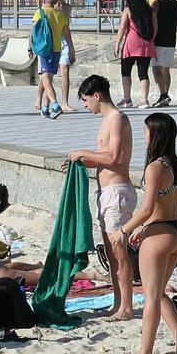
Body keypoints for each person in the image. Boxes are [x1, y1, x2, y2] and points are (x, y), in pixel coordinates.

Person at [116, 113, 177, 354]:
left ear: (156, 134)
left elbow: (148, 208)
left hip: (158, 235)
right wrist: (142, 227)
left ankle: (145, 350)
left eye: (145, 130)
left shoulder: (154, 167)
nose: (143, 134)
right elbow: (162, 204)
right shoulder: (176, 164)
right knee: (159, 293)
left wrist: (125, 230)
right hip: (176, 232)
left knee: (150, 296)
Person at [67, 75, 136, 321]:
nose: (86, 106)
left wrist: (84, 152)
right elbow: (105, 156)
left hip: (117, 192)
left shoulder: (117, 119)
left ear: (97, 96)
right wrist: (81, 162)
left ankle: (126, 307)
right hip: (106, 192)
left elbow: (115, 158)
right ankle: (119, 304)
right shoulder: (107, 120)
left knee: (119, 252)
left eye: (86, 100)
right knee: (110, 252)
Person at [32, 0, 75, 119]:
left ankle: (55, 105)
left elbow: (33, 32)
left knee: (45, 80)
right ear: (56, 1)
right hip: (57, 50)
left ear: (44, 0)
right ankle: (45, 108)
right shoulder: (62, 16)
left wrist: (30, 48)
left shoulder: (40, 12)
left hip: (44, 50)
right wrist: (72, 51)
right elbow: (67, 35)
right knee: (49, 79)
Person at [114, 0, 158, 108]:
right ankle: (144, 100)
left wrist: (117, 44)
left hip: (131, 44)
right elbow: (155, 28)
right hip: (146, 45)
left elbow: (122, 28)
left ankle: (127, 99)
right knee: (143, 73)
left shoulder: (128, 10)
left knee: (125, 72)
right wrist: (151, 40)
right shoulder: (151, 11)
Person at [150, 0, 177, 108]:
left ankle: (163, 95)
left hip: (157, 41)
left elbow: (152, 20)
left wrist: (150, 38)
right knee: (166, 70)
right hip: (171, 42)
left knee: (156, 69)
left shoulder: (156, 4)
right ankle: (166, 95)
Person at [52, 0, 78, 112]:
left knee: (65, 71)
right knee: (48, 73)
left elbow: (67, 29)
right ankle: (41, 99)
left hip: (64, 41)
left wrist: (72, 49)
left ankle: (65, 102)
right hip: (52, 41)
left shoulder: (68, 8)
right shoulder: (50, 7)